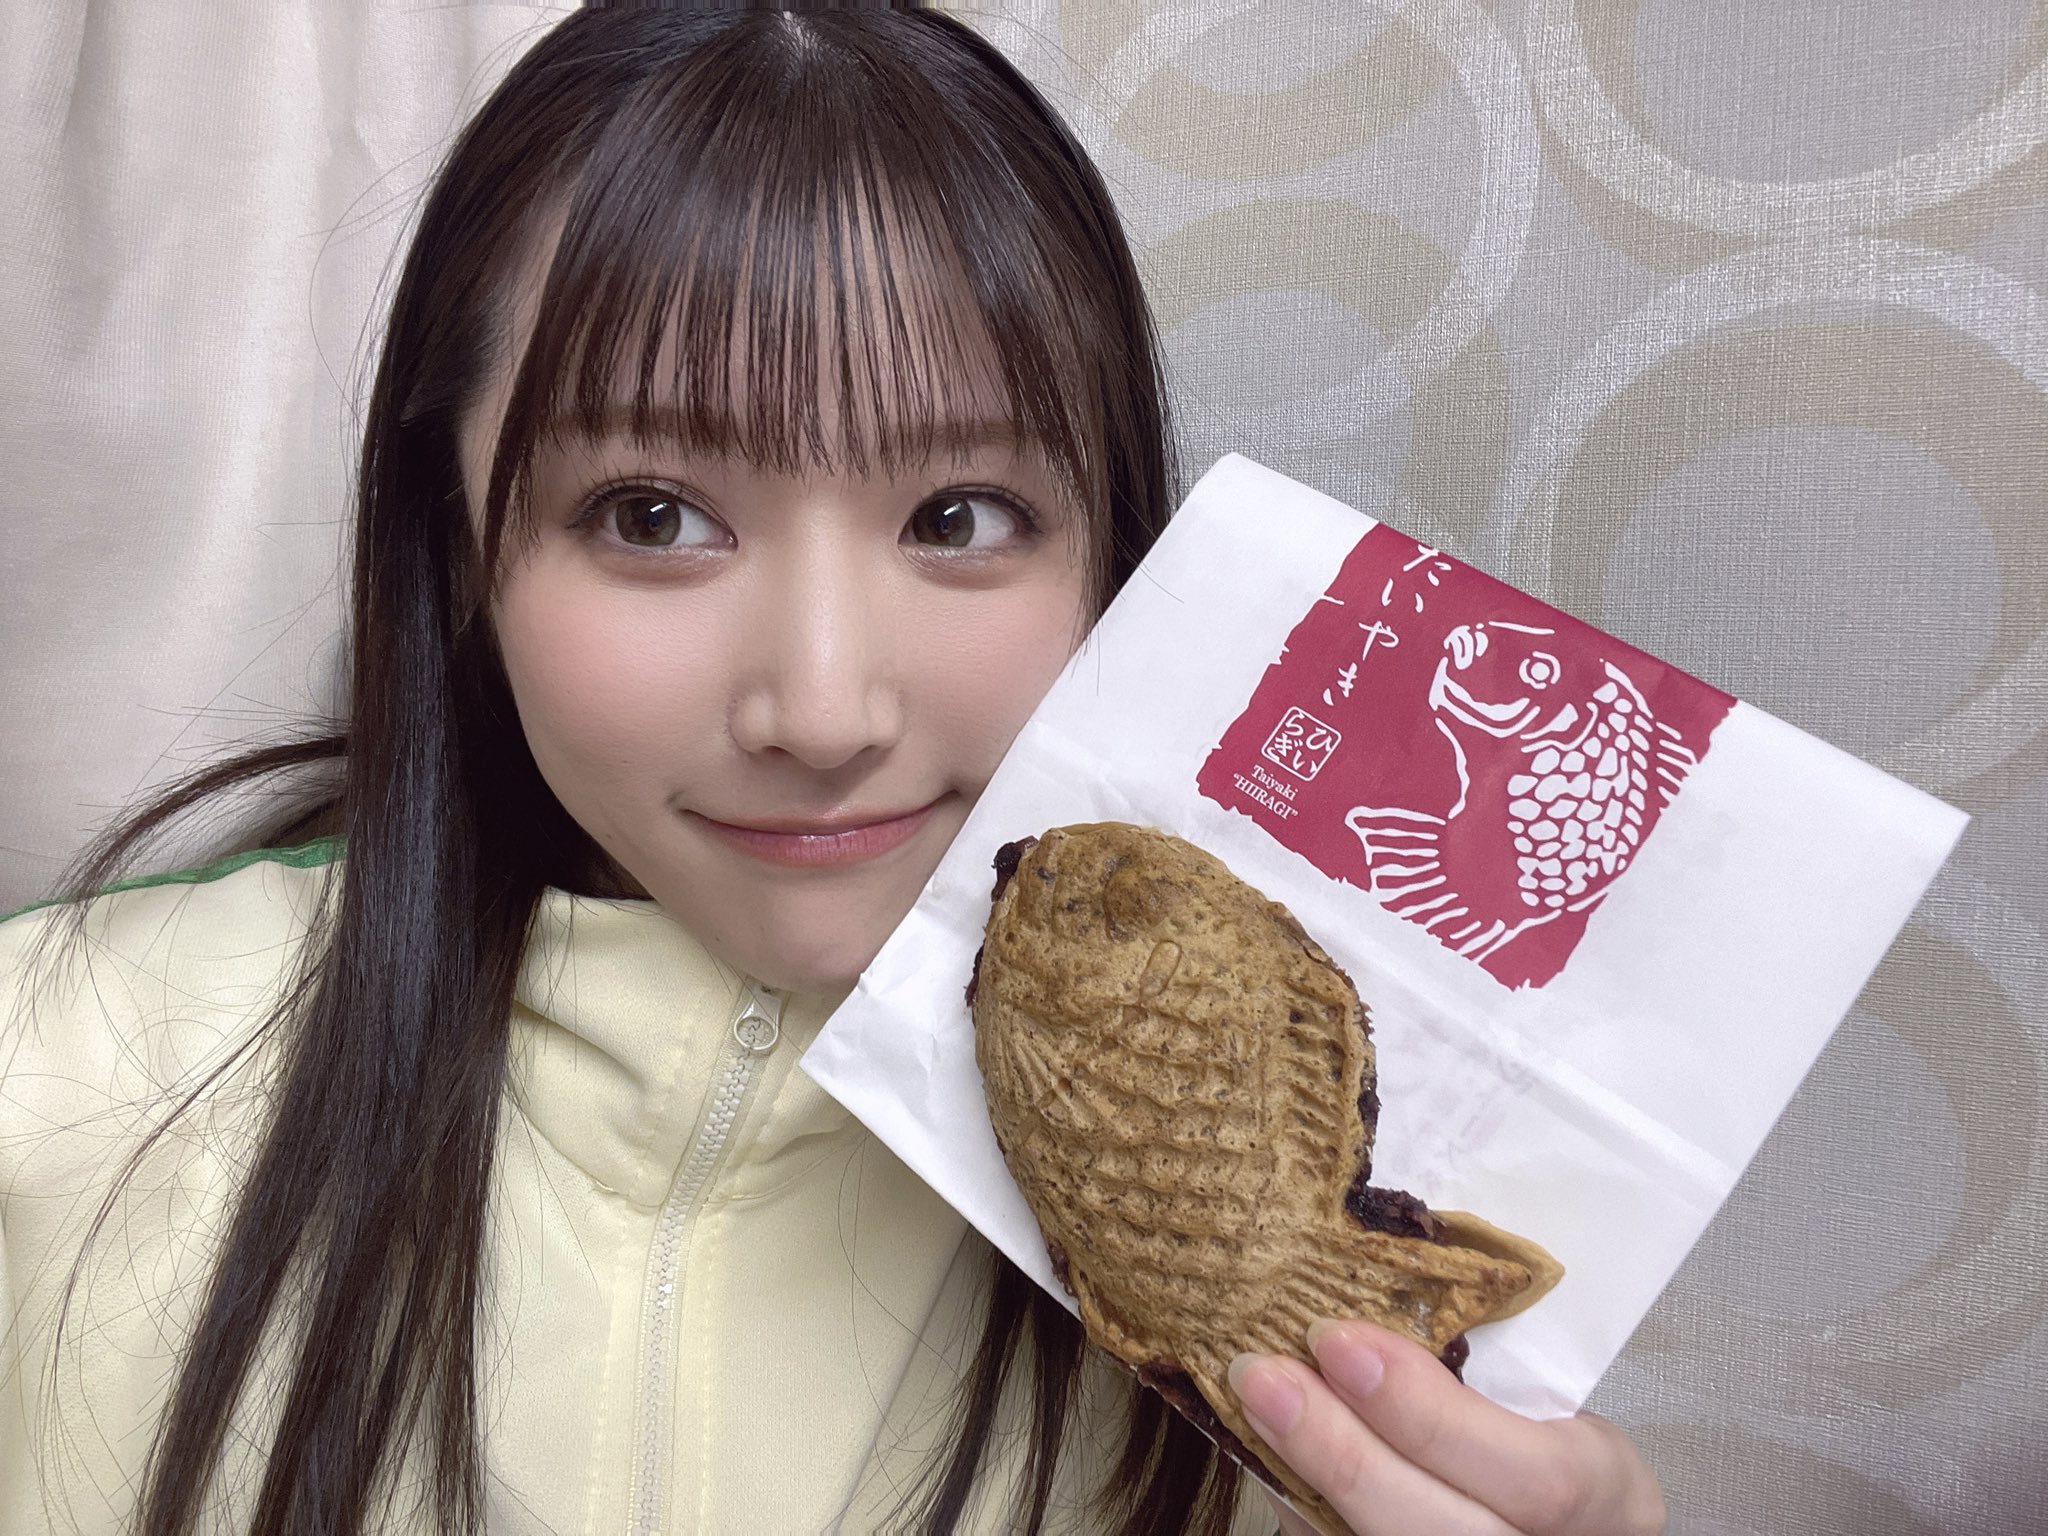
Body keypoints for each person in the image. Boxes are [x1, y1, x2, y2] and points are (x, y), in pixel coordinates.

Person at [0, 6, 1667, 1534]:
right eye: (654, 515)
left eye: (957, 517)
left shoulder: (1319, 1307)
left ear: (1111, 552)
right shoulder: (44, 1081)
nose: (821, 708)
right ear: (457, 543)